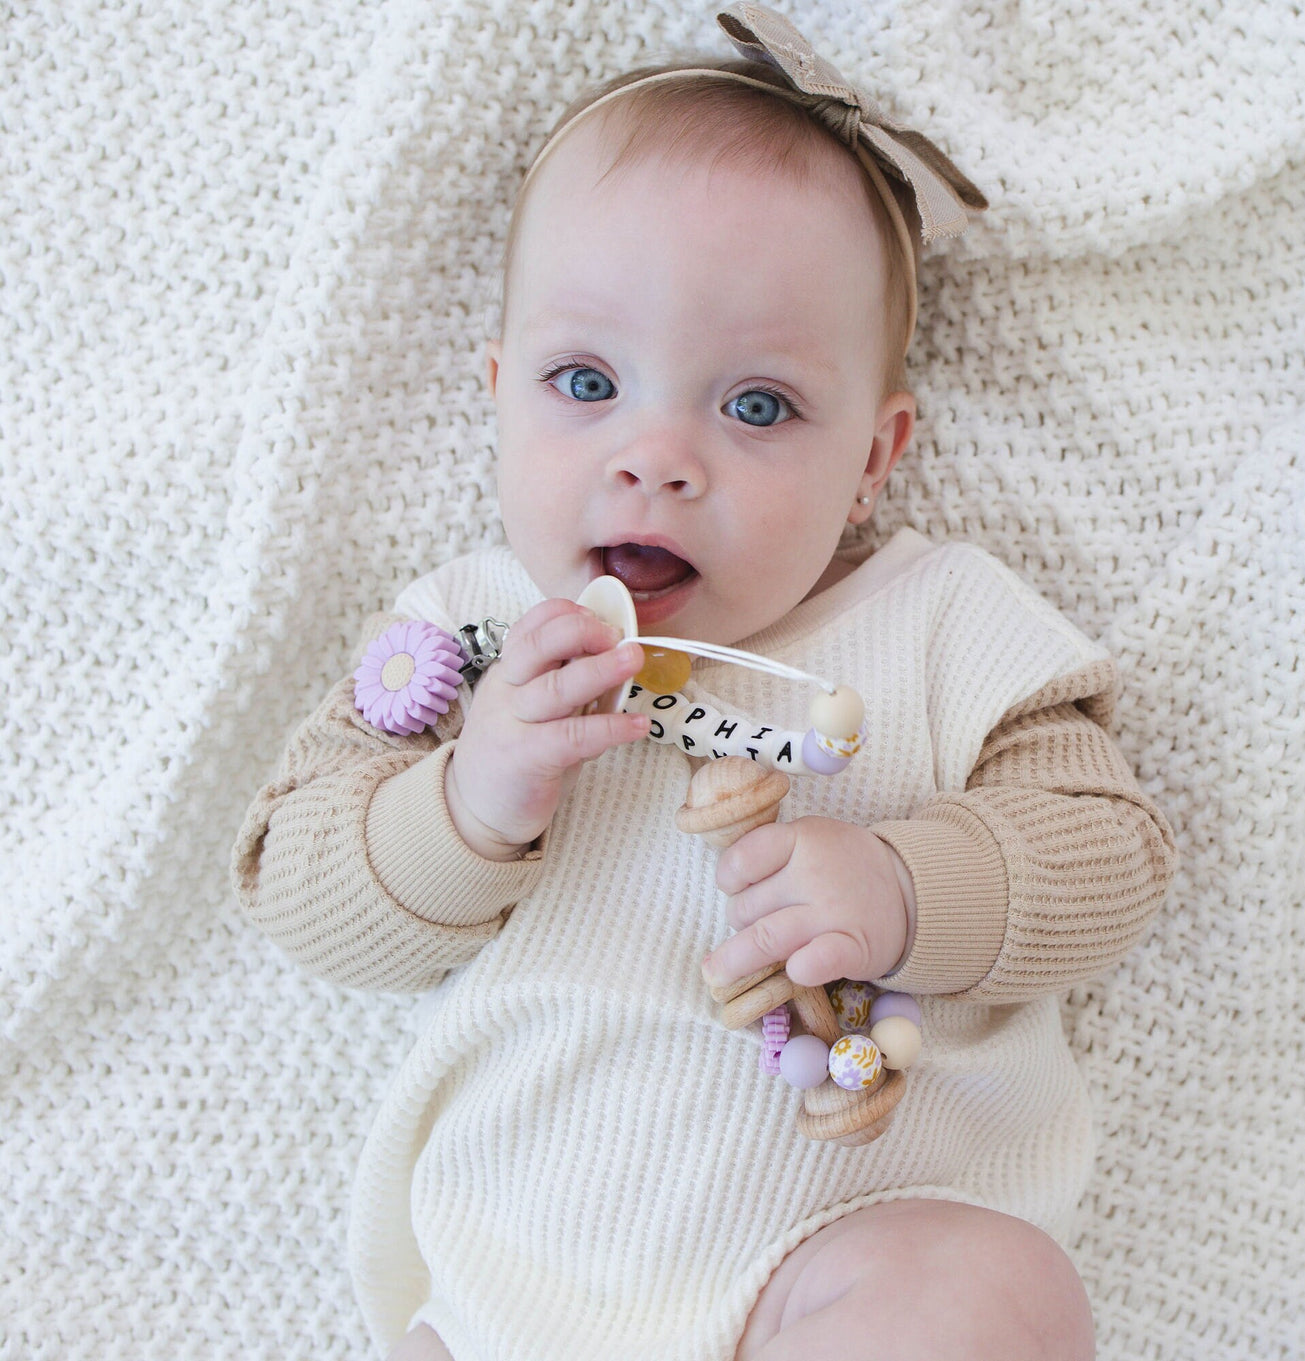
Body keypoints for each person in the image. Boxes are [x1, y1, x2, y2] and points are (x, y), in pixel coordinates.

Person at [231, 7, 1176, 1359]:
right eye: (584, 381)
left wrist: (913, 888)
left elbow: (1112, 856)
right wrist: (466, 801)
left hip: (844, 1253)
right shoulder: (467, 639)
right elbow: (298, 885)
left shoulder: (942, 621)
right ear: (498, 394)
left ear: (873, 453)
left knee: (989, 1295)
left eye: (755, 407)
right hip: (520, 1282)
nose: (655, 456)